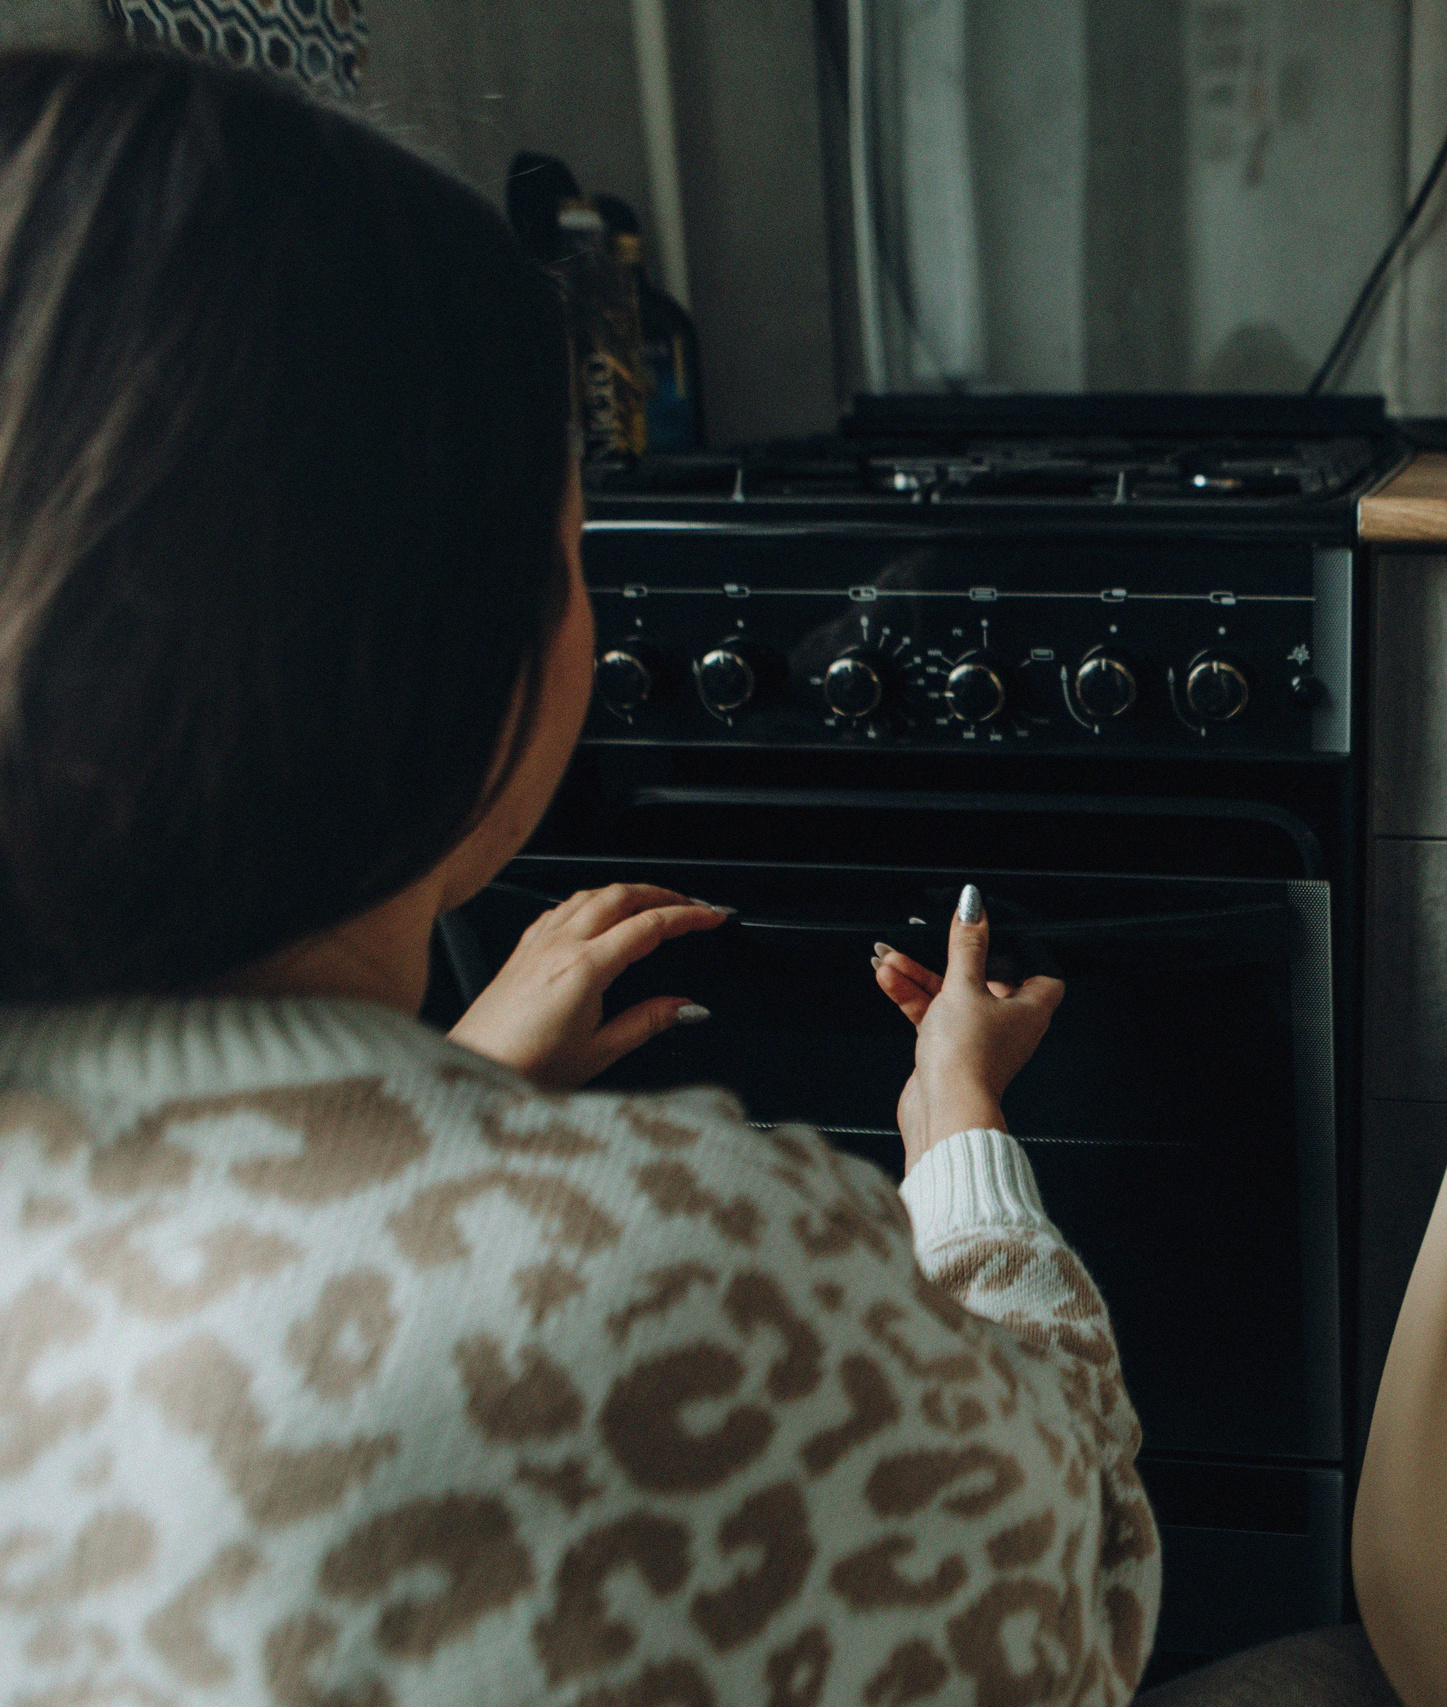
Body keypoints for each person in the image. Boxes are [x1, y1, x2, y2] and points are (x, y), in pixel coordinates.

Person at [0, 49, 1158, 1705]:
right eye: (573, 544)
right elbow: (1071, 1595)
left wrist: (442, 1094)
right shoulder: (692, 1270)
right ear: (464, 645)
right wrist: (958, 1136)